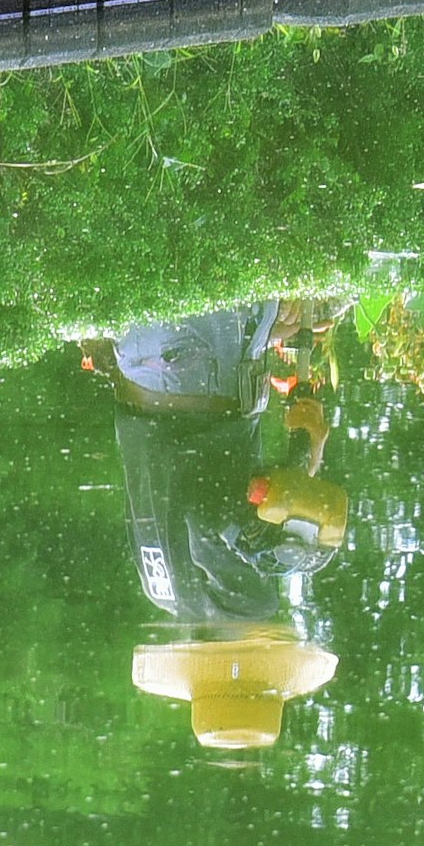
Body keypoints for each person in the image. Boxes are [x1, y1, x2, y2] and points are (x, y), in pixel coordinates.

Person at [84, 304, 350, 753]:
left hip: (199, 362)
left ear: (256, 674)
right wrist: (263, 332)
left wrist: (306, 452)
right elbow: (190, 479)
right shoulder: (164, 593)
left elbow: (220, 513)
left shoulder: (245, 606)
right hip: (141, 361)